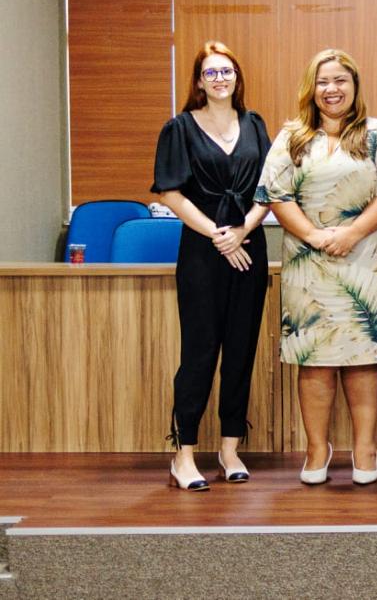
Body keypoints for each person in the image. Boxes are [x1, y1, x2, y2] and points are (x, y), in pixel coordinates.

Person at [256, 49, 377, 486]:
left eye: (341, 80)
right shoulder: (292, 136)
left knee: (365, 357)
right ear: (313, 87)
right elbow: (275, 195)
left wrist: (350, 234)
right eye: (324, 81)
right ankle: (316, 448)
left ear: (355, 86)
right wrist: (315, 236)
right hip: (309, 263)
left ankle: (365, 447)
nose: (332, 89)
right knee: (315, 361)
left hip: (368, 261)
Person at [153, 41, 272, 491]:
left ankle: (229, 449)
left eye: (227, 71)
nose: (220, 79)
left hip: (249, 249)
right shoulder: (179, 128)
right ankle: (183, 455)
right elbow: (171, 193)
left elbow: (270, 190)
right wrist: (220, 236)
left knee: (241, 352)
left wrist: (242, 231)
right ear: (199, 81)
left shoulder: (255, 124)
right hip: (203, 252)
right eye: (211, 72)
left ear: (237, 78)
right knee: (200, 353)